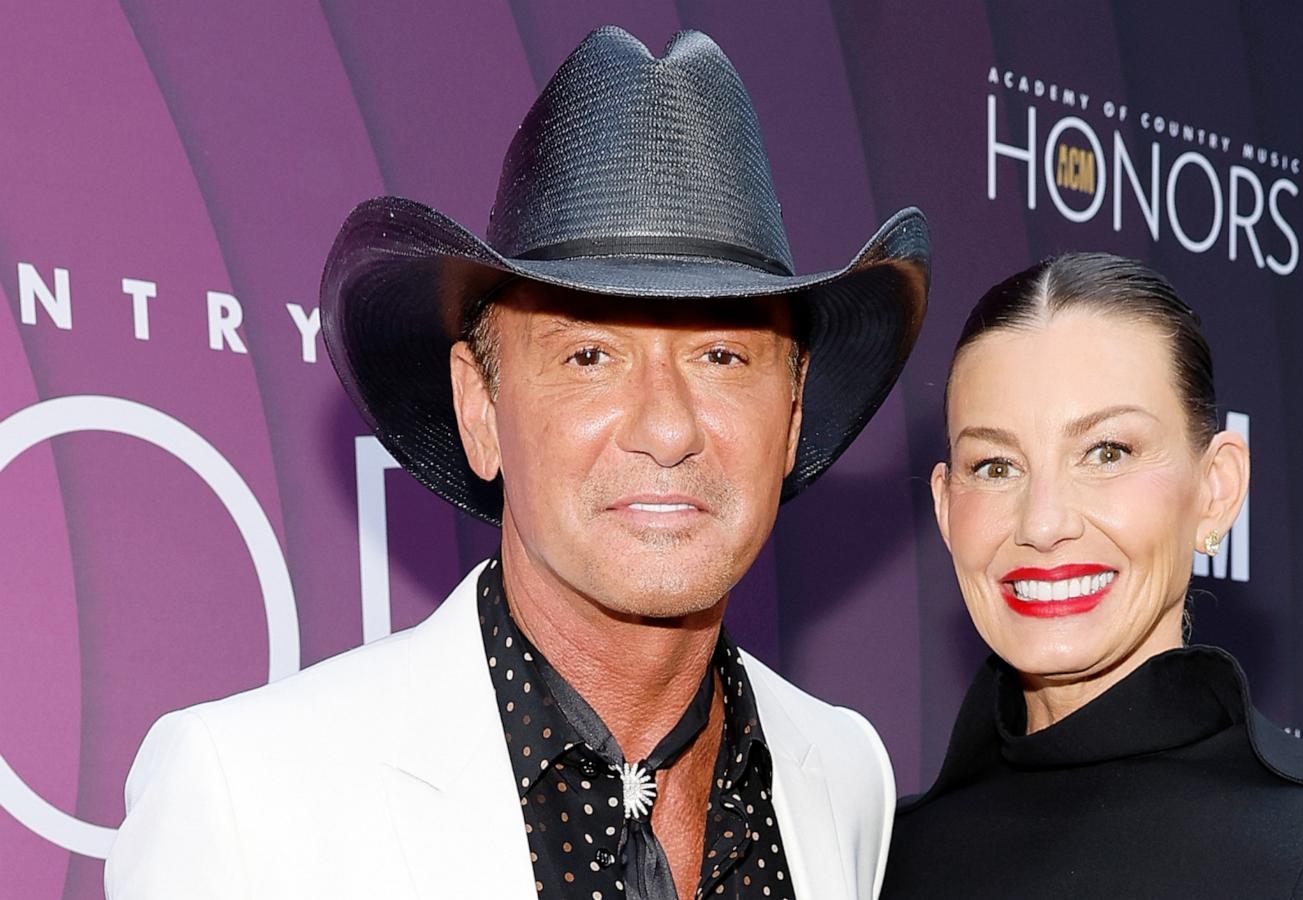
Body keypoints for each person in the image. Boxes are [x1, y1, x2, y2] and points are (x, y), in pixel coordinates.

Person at [107, 26, 929, 900]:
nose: (667, 428)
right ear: (480, 409)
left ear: (793, 411)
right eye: (589, 358)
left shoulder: (845, 779)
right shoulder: (249, 802)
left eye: (722, 357)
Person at [881, 252, 1303, 900]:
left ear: (1217, 491)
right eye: (996, 466)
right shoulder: (873, 859)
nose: (1043, 522)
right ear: (945, 508)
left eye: (1107, 452)